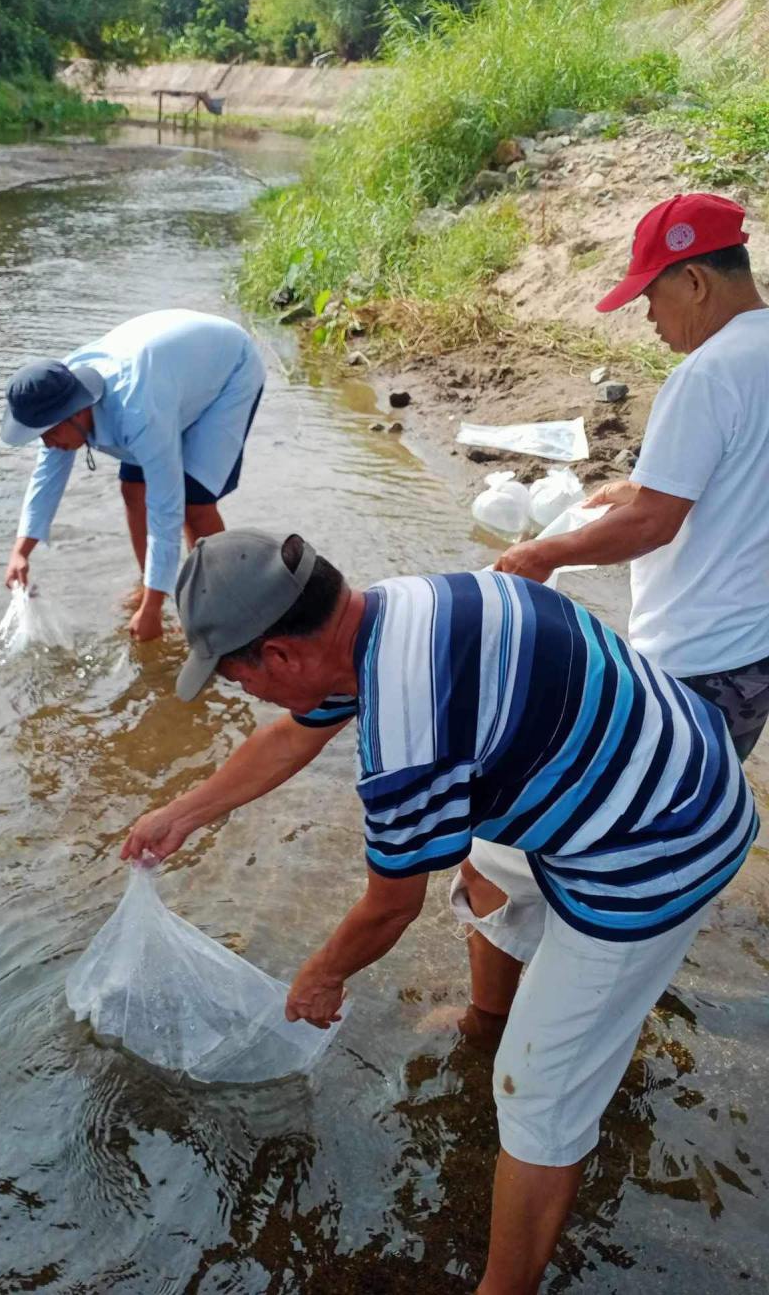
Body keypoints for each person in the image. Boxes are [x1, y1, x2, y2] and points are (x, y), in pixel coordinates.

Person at [120, 529, 757, 1295]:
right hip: (647, 754)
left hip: (660, 842)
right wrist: (184, 813)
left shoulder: (405, 731)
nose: (245, 695)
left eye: (235, 680)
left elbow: (391, 908)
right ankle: (486, 1019)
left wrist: (321, 974)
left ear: (279, 656)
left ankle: (503, 1285)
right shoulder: (393, 609)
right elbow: (294, 733)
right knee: (485, 867)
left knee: (537, 1090)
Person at [495, 192, 769, 761]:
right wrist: (646, 487)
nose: (647, 319)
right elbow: (746, 472)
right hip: (754, 649)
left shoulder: (707, 373)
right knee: (703, 798)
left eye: (650, 296)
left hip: (697, 656)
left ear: (694, 281)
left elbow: (651, 525)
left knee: (642, 821)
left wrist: (545, 555)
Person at [0, 309, 265, 640]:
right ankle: (149, 582)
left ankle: (224, 602)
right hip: (170, 377)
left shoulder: (138, 413)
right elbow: (46, 477)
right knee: (132, 489)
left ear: (77, 411)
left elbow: (166, 507)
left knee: (192, 504)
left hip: (227, 370)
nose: (47, 443)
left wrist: (153, 609)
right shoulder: (54, 392)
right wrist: (20, 552)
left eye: (49, 433)